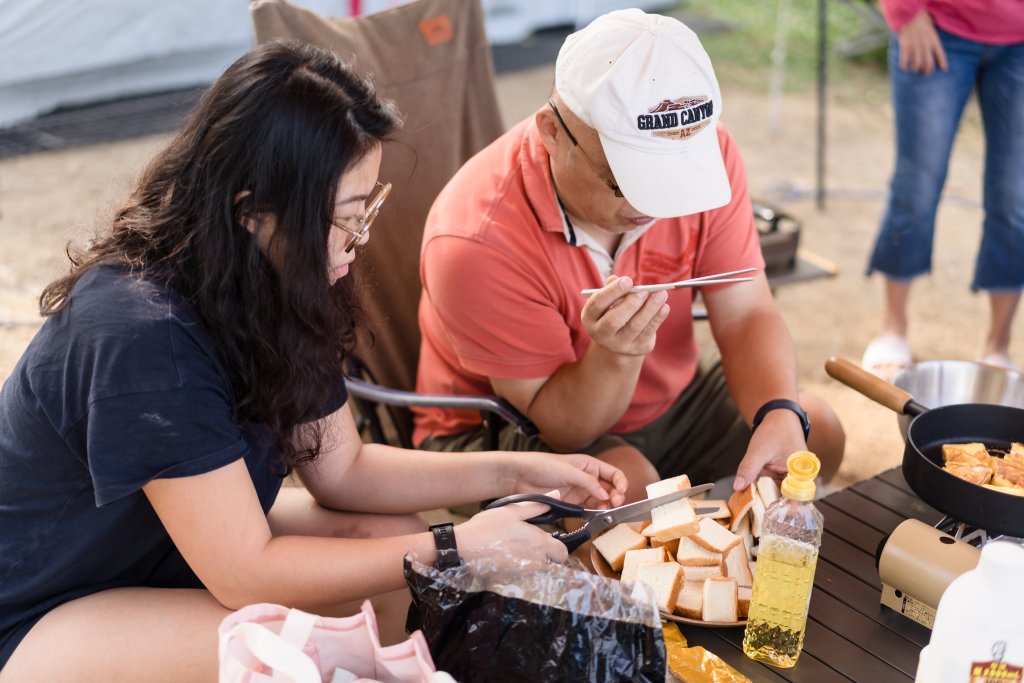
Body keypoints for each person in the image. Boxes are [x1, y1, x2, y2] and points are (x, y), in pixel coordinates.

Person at [0, 41, 627, 681]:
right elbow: (245, 571)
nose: (358, 242)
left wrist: (516, 472)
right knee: (291, 654)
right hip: (43, 603)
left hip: (167, 550)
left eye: (367, 209)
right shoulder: (140, 334)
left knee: (391, 536)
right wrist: (459, 543)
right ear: (253, 213)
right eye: (347, 217)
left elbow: (342, 469)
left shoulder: (274, 282)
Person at [413, 9, 846, 503]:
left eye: (674, 179)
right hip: (503, 425)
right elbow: (560, 427)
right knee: (629, 495)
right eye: (625, 182)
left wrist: (778, 413)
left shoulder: (706, 149)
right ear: (552, 132)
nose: (652, 206)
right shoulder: (476, 237)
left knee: (816, 437)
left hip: (668, 398)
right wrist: (616, 355)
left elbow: (746, 309)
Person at [862, 1, 1024, 380]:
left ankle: (997, 347)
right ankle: (893, 329)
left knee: (1016, 197)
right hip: (937, 25)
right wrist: (902, 10)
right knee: (916, 186)